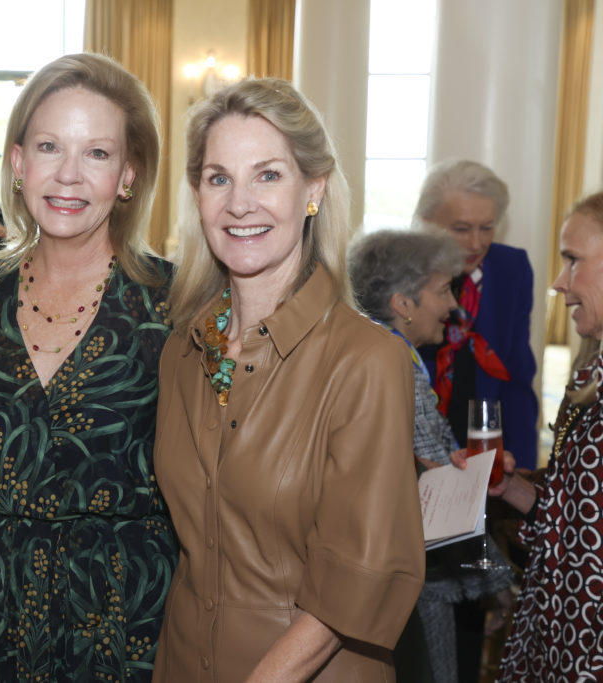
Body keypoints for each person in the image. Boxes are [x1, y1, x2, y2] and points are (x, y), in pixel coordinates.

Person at [151, 78, 425, 682]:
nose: (239, 203)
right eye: (219, 178)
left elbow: (360, 577)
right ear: (197, 194)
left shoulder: (367, 361)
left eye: (268, 175)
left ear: (314, 189)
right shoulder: (182, 351)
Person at [0, 53, 177, 681]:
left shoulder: (174, 304)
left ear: (128, 175)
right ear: (19, 164)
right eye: (50, 146)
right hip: (0, 612)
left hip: (131, 613)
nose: (69, 175)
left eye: (97, 154)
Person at [349, 229, 512, 683]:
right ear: (402, 304)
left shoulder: (367, 354)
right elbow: (442, 505)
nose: (453, 306)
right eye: (442, 291)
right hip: (413, 590)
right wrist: (501, 584)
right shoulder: (398, 368)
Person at [453, 191, 603, 682]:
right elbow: (578, 523)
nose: (560, 283)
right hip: (556, 639)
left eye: (573, 260)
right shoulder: (591, 376)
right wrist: (513, 489)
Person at [413, 159, 539, 471]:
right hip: (421, 441)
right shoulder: (406, 273)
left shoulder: (512, 268)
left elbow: (518, 375)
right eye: (461, 229)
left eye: (487, 228)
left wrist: (522, 465)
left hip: (486, 439)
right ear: (427, 222)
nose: (476, 242)